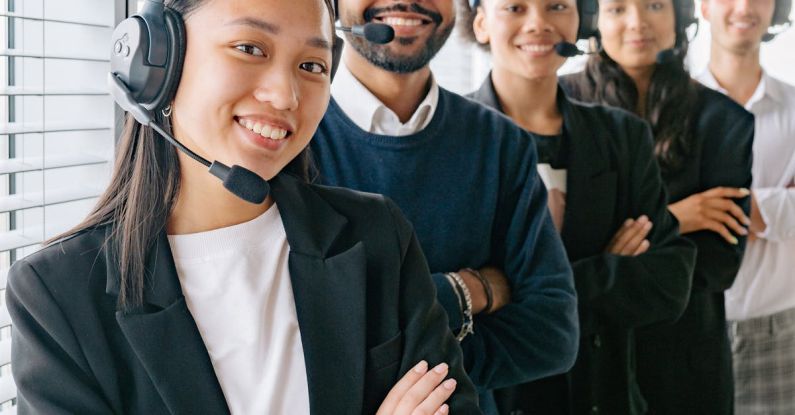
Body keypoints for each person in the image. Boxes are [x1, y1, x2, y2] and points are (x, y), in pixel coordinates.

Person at [4, 0, 482, 413]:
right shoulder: (57, 296)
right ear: (156, 62)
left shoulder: (375, 236)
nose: (286, 95)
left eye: (312, 66)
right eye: (250, 48)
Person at [310, 0, 580, 410]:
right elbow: (298, 341)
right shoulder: (290, 142)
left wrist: (383, 366)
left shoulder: (501, 143)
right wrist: (467, 291)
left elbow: (552, 336)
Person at [460, 0, 696, 412]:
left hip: (606, 397)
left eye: (556, 6)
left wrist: (511, 290)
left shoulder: (623, 136)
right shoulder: (451, 141)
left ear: (580, 20)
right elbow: (444, 305)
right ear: (481, 23)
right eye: (515, 7)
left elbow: (669, 282)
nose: (539, 24)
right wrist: (608, 268)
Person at [562, 0, 754, 412]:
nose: (637, 23)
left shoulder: (724, 121)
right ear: (595, 21)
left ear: (679, 17)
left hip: (684, 360)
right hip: (581, 356)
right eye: (617, 9)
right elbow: (551, 259)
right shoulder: (556, 106)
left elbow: (717, 264)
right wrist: (675, 221)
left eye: (654, 5)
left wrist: (606, 255)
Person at [697, 0, 795, 412]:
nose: (744, 6)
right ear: (701, 7)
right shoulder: (678, 105)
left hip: (781, 329)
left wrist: (718, 206)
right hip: (689, 328)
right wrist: (779, 203)